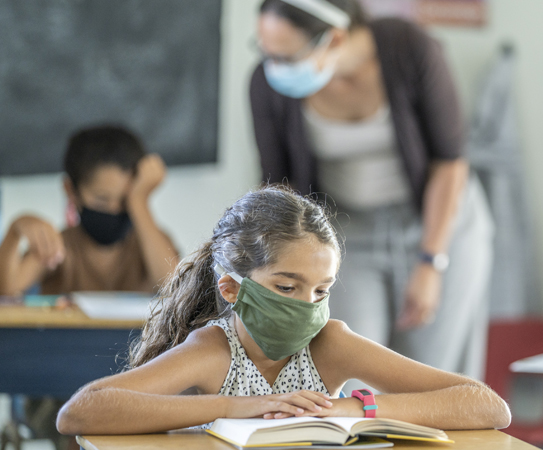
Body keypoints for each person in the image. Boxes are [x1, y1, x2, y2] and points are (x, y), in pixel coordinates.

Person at [55, 187, 511, 435]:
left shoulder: (330, 343)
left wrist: (352, 408)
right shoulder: (214, 350)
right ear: (233, 287)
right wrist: (239, 407)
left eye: (321, 290)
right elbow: (81, 412)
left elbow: (489, 407)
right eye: (287, 287)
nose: (307, 307)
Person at [249, 0, 494, 381]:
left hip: (439, 224)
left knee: (431, 376)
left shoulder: (410, 48)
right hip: (344, 232)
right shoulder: (267, 83)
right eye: (266, 52)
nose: (273, 67)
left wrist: (431, 262)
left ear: (335, 37)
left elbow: (449, 161)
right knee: (347, 369)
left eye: (287, 54)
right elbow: (279, 183)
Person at [0, 125, 178, 296]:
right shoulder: (59, 247)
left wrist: (139, 202)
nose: (115, 209)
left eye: (125, 200)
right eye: (102, 200)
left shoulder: (152, 243)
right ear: (71, 190)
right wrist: (15, 229)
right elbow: (7, 290)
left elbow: (174, 288)